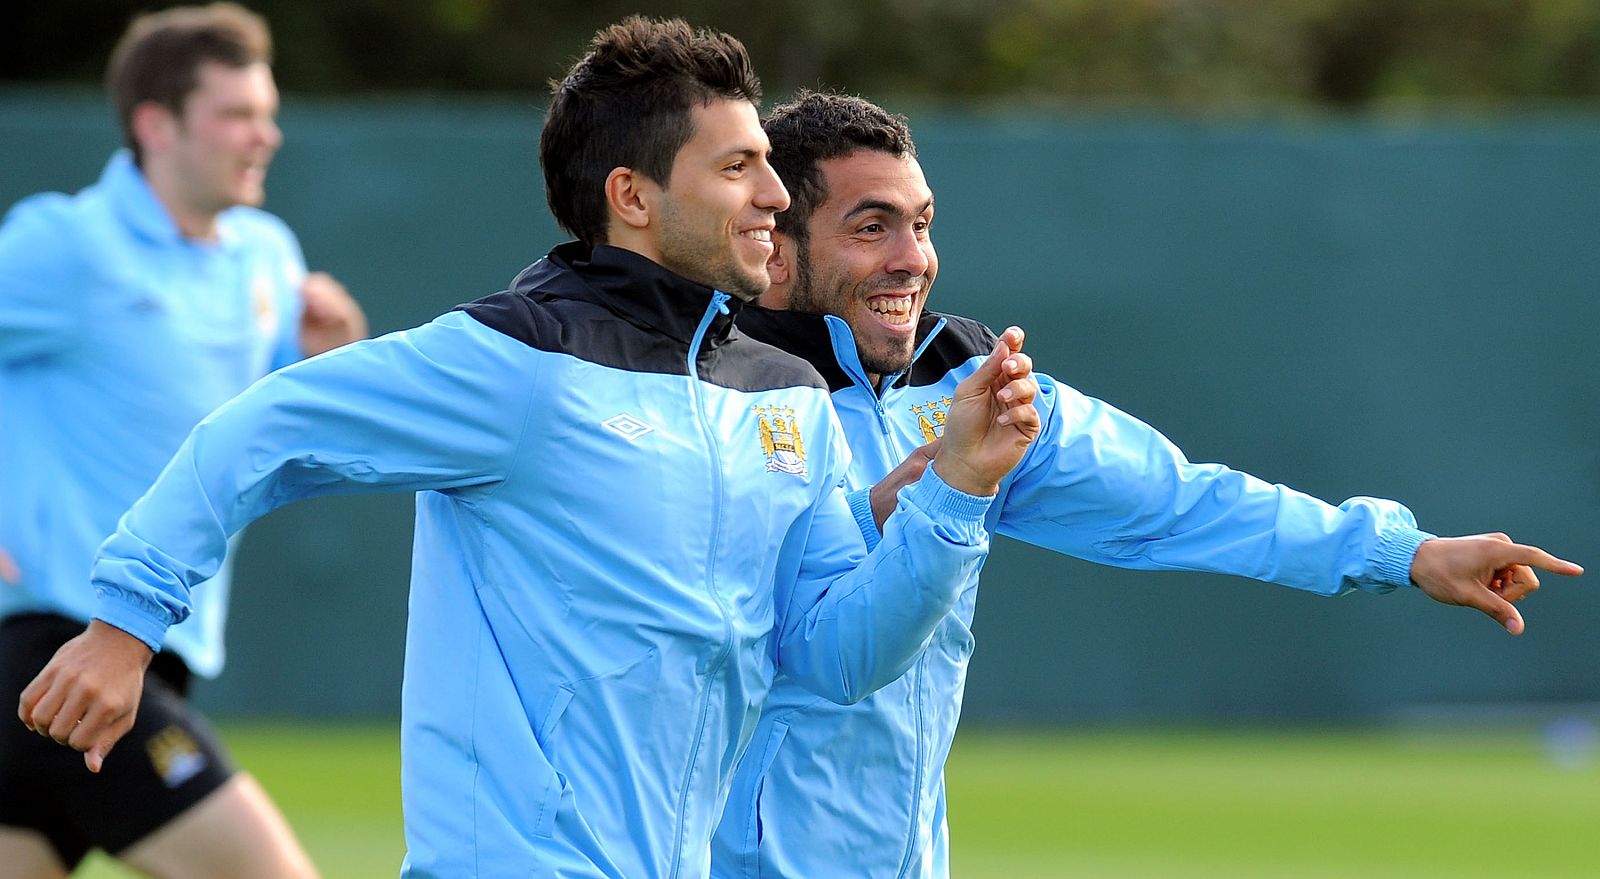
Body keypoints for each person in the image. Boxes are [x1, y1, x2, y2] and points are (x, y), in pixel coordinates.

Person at [17, 18, 1043, 879]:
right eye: (738, 166)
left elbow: (836, 656)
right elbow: (260, 427)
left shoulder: (785, 396)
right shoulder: (515, 360)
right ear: (633, 197)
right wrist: (125, 622)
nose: (775, 195)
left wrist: (953, 495)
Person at [709, 90, 1585, 879]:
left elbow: (1180, 501)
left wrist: (1404, 552)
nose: (913, 258)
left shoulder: (968, 381)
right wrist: (884, 517)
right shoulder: (712, 395)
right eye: (872, 228)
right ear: (777, 248)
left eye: (923, 223)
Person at [0, 4, 367, 878]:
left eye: (267, 112)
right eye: (237, 114)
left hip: (158, 652)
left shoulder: (266, 256)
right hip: (63, 646)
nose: (265, 136)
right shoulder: (66, 244)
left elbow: (279, 445)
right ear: (157, 125)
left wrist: (329, 362)